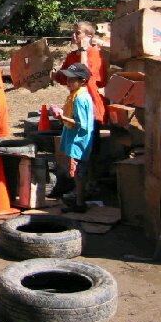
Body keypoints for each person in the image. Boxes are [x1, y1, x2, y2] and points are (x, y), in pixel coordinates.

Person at [50, 21, 108, 197]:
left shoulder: (94, 53)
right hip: (75, 106)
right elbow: (63, 77)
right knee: (75, 151)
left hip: (91, 106)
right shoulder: (71, 56)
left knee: (89, 150)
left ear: (89, 36)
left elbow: (86, 74)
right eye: (73, 33)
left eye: (78, 33)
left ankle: (89, 187)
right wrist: (52, 74)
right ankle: (79, 188)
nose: (74, 36)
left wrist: (83, 50)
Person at [54, 63, 94, 213]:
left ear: (82, 81)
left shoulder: (80, 99)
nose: (68, 82)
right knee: (78, 172)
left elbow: (81, 123)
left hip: (79, 141)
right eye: (67, 79)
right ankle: (79, 200)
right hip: (77, 140)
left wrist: (62, 117)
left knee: (79, 173)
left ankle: (80, 202)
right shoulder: (76, 95)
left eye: (72, 79)